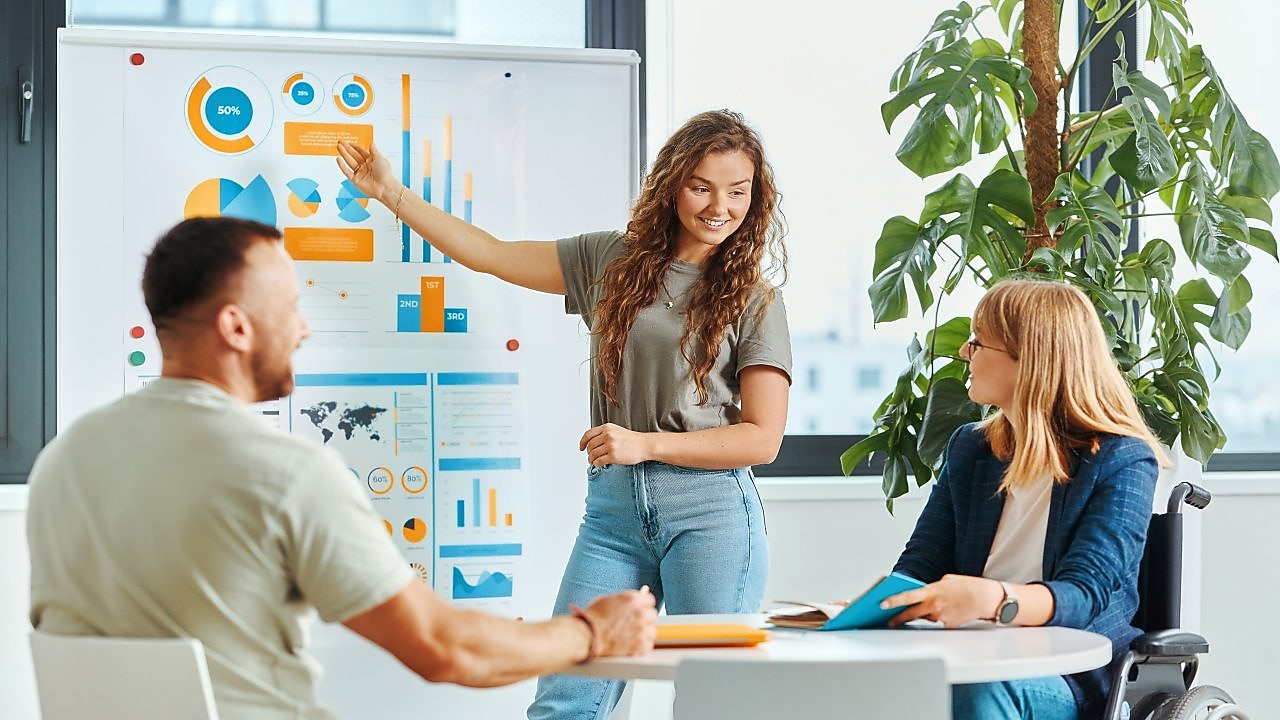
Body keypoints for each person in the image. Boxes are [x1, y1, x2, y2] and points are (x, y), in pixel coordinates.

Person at [26, 217, 657, 720]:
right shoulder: (281, 472)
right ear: (236, 327)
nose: (303, 327)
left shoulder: (65, 459)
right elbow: (444, 648)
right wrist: (590, 633)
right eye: (291, 306)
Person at [337, 108, 792, 720]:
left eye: (738, 192)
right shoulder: (611, 260)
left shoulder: (754, 299)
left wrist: (645, 445)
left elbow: (762, 439)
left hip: (710, 514)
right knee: (565, 701)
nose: (720, 207)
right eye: (702, 186)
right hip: (612, 513)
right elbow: (490, 255)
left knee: (714, 703)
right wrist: (390, 193)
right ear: (672, 185)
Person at [879, 279, 1166, 720]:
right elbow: (920, 566)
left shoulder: (1121, 459)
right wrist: (864, 611)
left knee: (980, 693)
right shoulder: (970, 448)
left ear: (1029, 360)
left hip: (1068, 678)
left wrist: (992, 600)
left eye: (977, 343)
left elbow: (1082, 595)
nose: (964, 353)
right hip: (965, 657)